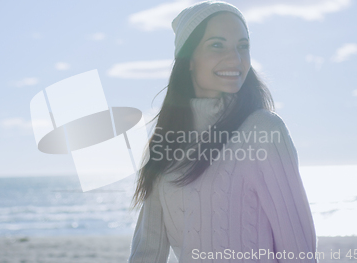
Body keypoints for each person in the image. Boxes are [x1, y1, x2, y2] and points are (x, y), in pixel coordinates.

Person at [128, 1, 318, 262]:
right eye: (217, 45)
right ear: (188, 59)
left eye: (243, 46)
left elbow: (299, 252)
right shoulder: (164, 144)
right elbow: (146, 252)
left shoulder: (264, 132)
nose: (235, 58)